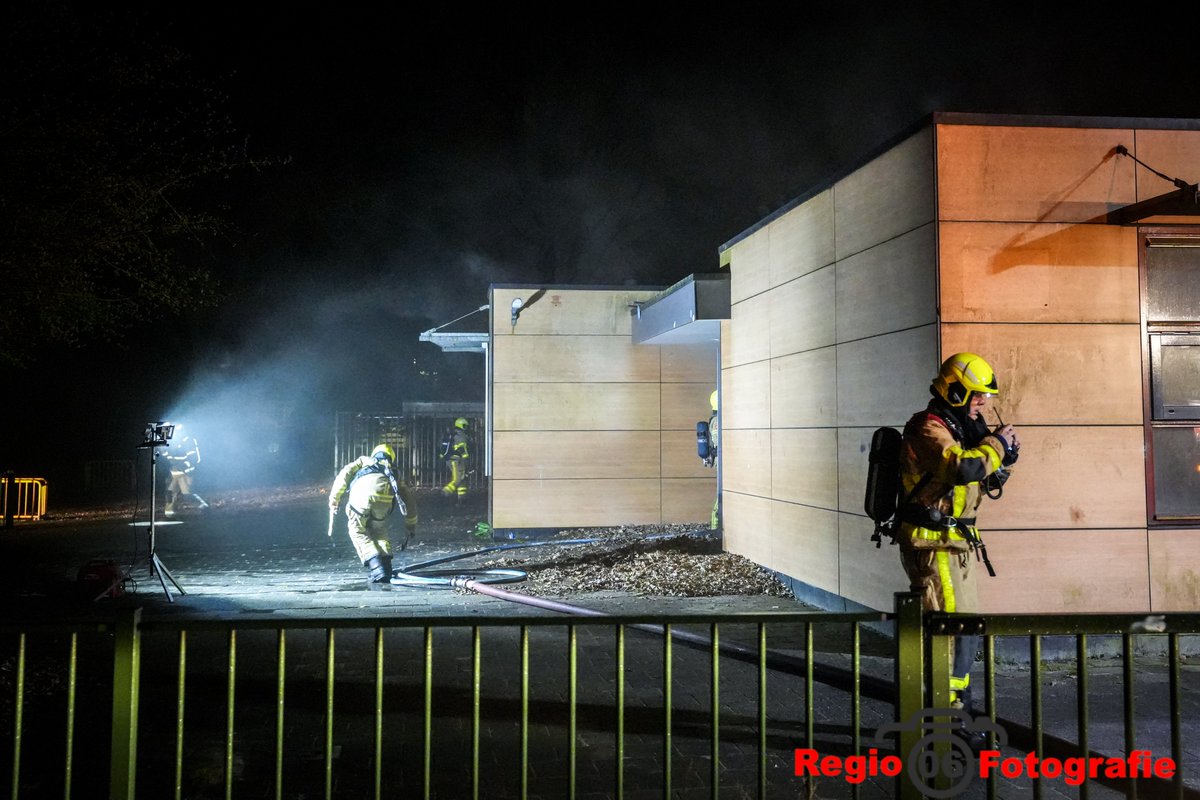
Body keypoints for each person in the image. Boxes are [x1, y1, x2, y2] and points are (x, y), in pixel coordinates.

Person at [896, 352, 1019, 735]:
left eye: (984, 397)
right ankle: (943, 721)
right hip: (933, 547)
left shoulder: (960, 429)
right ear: (954, 391)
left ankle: (958, 706)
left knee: (964, 629)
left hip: (955, 546)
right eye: (976, 395)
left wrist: (1003, 458)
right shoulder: (928, 428)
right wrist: (996, 446)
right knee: (949, 631)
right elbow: (961, 468)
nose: (981, 403)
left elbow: (980, 478)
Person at [329, 444, 418, 584]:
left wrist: (334, 499)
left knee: (357, 530)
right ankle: (386, 567)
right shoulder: (393, 472)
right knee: (379, 531)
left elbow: (344, 475)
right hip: (383, 503)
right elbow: (408, 499)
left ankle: (376, 568)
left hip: (361, 499)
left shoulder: (363, 461)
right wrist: (411, 525)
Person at [162, 425, 208, 516]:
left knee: (187, 493)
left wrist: (188, 469)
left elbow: (194, 458)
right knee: (169, 493)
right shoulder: (171, 442)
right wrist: (162, 447)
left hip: (184, 472)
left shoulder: (188, 441)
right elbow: (167, 455)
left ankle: (204, 505)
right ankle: (169, 514)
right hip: (174, 472)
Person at [700, 390, 719, 529]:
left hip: (722, 462)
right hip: (722, 462)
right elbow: (719, 443)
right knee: (721, 496)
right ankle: (715, 529)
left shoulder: (718, 419)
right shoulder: (717, 421)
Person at [439, 417, 471, 504]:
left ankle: (462, 498)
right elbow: (462, 450)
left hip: (453, 459)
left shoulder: (454, 435)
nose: (466, 428)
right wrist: (466, 459)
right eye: (465, 426)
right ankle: (445, 492)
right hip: (455, 460)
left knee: (462, 479)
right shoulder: (460, 436)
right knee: (457, 479)